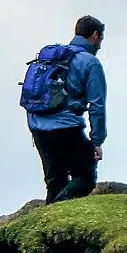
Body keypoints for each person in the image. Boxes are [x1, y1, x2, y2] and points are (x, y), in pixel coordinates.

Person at [22, 15, 108, 203]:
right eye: (101, 39)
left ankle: (46, 224)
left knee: (55, 181)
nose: (100, 45)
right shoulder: (90, 62)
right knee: (85, 178)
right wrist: (97, 140)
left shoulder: (54, 57)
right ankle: (55, 211)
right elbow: (97, 105)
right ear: (95, 36)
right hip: (66, 127)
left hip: (38, 126)